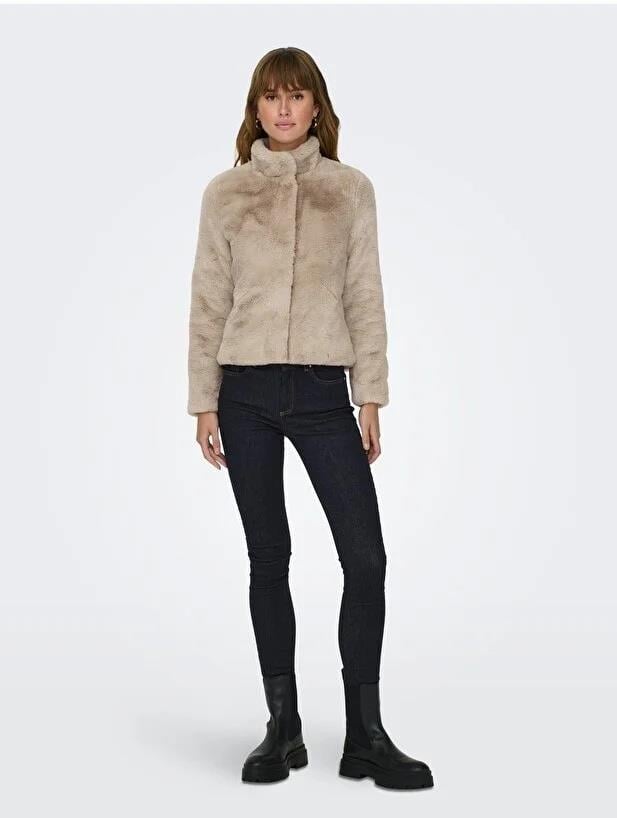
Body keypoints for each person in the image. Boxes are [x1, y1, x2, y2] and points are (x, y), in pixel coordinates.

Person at [187, 46, 434, 791]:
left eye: (296, 95)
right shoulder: (225, 194)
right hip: (245, 394)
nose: (284, 108)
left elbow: (365, 292)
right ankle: (282, 727)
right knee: (269, 558)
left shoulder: (349, 190)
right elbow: (208, 299)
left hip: (326, 392)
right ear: (255, 108)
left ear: (316, 105)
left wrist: (370, 392)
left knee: (366, 558)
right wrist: (203, 399)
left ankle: (366, 735)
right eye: (271, 97)